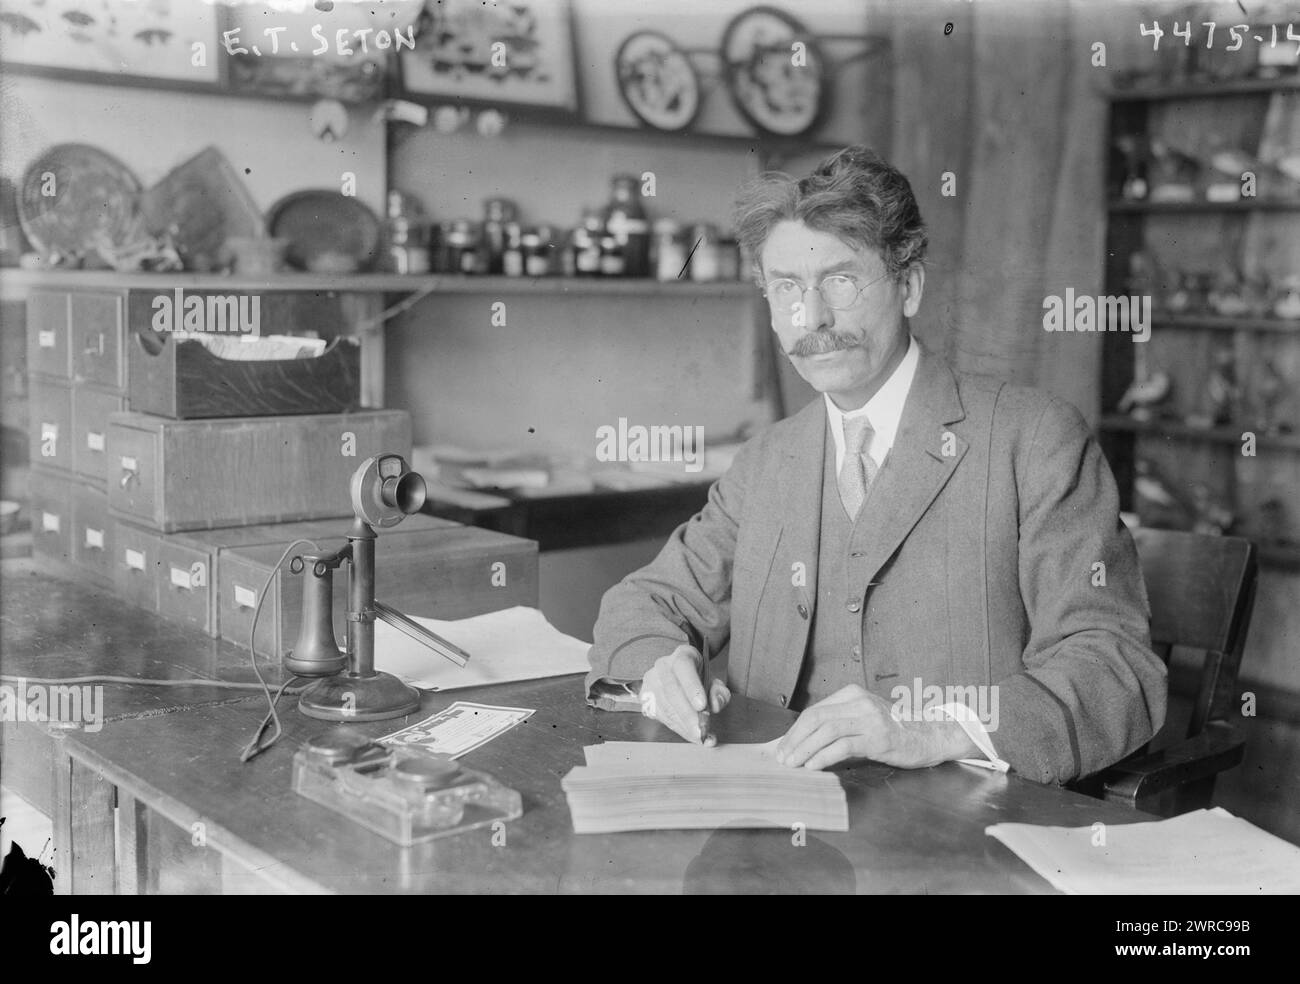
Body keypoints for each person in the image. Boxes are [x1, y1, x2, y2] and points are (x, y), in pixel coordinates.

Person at [585, 147, 1166, 785]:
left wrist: (934, 729)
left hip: (956, 832)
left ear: (909, 286)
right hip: (774, 822)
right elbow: (644, 603)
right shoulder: (767, 461)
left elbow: (1114, 665)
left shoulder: (1033, 440)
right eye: (787, 288)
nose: (812, 319)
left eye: (839, 280)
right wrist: (661, 667)